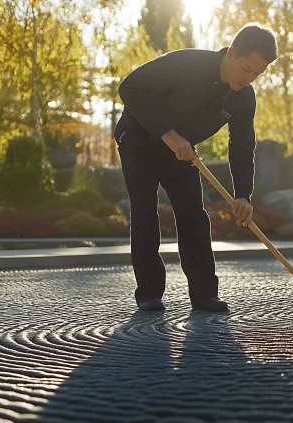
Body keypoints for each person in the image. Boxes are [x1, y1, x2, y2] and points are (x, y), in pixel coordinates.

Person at [114, 23, 277, 312]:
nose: (249, 78)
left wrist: (243, 195)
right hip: (138, 142)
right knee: (144, 211)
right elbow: (129, 87)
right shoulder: (186, 63)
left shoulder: (243, 96)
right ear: (232, 53)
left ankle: (204, 295)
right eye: (247, 69)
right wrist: (169, 134)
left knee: (194, 215)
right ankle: (149, 294)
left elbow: (241, 145)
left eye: (257, 74)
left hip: (182, 152)